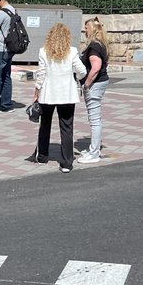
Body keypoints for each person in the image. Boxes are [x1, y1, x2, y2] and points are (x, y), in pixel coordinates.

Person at [29, 22, 86, 173]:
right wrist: (75, 79)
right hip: (67, 94)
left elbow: (41, 74)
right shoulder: (72, 51)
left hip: (48, 93)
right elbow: (82, 71)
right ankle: (67, 162)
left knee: (45, 124)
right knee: (67, 127)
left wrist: (36, 91)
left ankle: (42, 156)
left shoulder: (43, 52)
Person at [77, 17, 109, 164]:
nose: (85, 31)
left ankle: (94, 152)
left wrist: (87, 84)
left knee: (94, 119)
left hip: (95, 85)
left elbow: (95, 67)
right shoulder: (101, 44)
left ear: (93, 29)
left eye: (87, 28)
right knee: (95, 118)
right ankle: (93, 148)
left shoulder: (94, 46)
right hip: (100, 83)